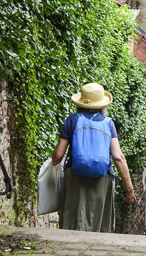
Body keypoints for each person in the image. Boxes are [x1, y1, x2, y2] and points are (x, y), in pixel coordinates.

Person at [51, 82, 135, 232]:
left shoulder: (72, 120)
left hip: (75, 176)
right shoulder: (109, 123)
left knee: (73, 215)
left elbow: (58, 155)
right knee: (99, 218)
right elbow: (118, 157)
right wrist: (129, 189)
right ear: (102, 105)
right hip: (102, 178)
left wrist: (53, 163)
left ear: (80, 103)